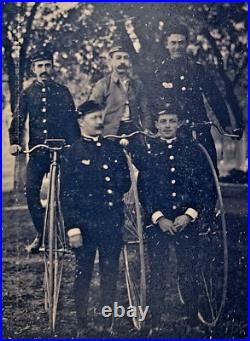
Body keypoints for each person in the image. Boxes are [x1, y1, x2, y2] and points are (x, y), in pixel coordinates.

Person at [134, 103, 215, 336]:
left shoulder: (192, 150)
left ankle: (192, 319)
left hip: (186, 221)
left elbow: (203, 185)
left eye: (172, 120)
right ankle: (155, 321)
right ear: (156, 125)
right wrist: (158, 217)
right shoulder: (149, 153)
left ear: (179, 123)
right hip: (158, 223)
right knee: (157, 271)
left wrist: (189, 215)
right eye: (163, 121)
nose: (167, 125)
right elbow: (144, 189)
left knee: (189, 270)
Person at [60, 100, 131, 337]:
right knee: (83, 274)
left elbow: (124, 183)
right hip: (85, 226)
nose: (100, 121)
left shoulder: (113, 149)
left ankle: (106, 323)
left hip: (110, 223)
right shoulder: (72, 152)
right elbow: (67, 195)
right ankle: (82, 324)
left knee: (110, 274)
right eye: (94, 118)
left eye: (101, 117)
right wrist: (73, 229)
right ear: (81, 121)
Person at [8, 48, 80, 253]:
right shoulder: (27, 93)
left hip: (63, 150)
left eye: (47, 65)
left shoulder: (62, 91)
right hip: (39, 151)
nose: (44, 70)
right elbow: (18, 120)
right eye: (40, 66)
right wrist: (15, 142)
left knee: (68, 193)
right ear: (33, 69)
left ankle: (71, 233)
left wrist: (76, 147)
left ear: (52, 66)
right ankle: (43, 233)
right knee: (30, 192)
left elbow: (72, 122)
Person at [149, 23, 243, 167]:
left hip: (199, 127)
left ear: (186, 44)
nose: (177, 47)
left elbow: (214, 96)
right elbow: (153, 101)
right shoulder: (159, 71)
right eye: (173, 43)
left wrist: (226, 124)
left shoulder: (197, 69)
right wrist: (153, 128)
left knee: (208, 168)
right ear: (167, 45)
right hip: (173, 131)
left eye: (181, 42)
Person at [90, 45, 153, 137]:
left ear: (130, 62)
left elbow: (145, 111)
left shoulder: (137, 84)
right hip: (110, 133)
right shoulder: (103, 84)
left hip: (133, 130)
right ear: (111, 61)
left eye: (126, 58)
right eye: (118, 58)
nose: (122, 62)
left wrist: (146, 128)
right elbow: (92, 110)